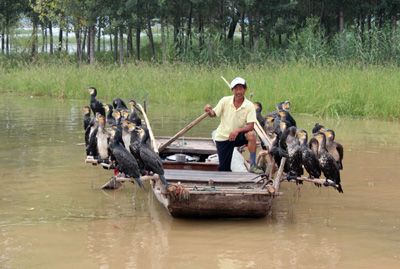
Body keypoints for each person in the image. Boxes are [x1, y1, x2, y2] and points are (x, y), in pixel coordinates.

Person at [204, 77, 259, 172]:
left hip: (238, 136)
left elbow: (251, 126)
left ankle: (253, 165)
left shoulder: (249, 106)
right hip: (223, 137)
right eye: (236, 89)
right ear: (232, 90)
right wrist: (208, 110)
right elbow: (213, 114)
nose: (238, 92)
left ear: (245, 89)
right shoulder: (225, 101)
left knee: (251, 135)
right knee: (223, 169)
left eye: (241, 89)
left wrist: (237, 130)